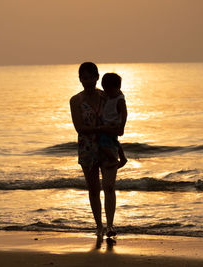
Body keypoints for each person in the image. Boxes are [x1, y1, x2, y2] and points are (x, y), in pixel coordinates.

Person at [70, 62, 122, 239]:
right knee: (93, 189)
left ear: (97, 77)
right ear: (80, 79)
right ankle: (99, 226)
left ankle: (110, 225)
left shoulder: (107, 97)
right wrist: (101, 129)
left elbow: (116, 120)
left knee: (109, 186)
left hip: (108, 146)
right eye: (84, 78)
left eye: (91, 77)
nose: (88, 81)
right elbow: (79, 128)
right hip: (88, 148)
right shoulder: (76, 100)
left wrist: (120, 149)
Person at [99, 73, 128, 169]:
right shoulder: (108, 95)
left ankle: (113, 160)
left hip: (113, 125)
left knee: (102, 144)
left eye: (110, 90)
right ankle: (123, 158)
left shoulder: (119, 99)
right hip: (108, 123)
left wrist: (122, 127)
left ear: (118, 87)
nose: (108, 92)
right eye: (105, 89)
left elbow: (124, 113)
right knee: (113, 141)